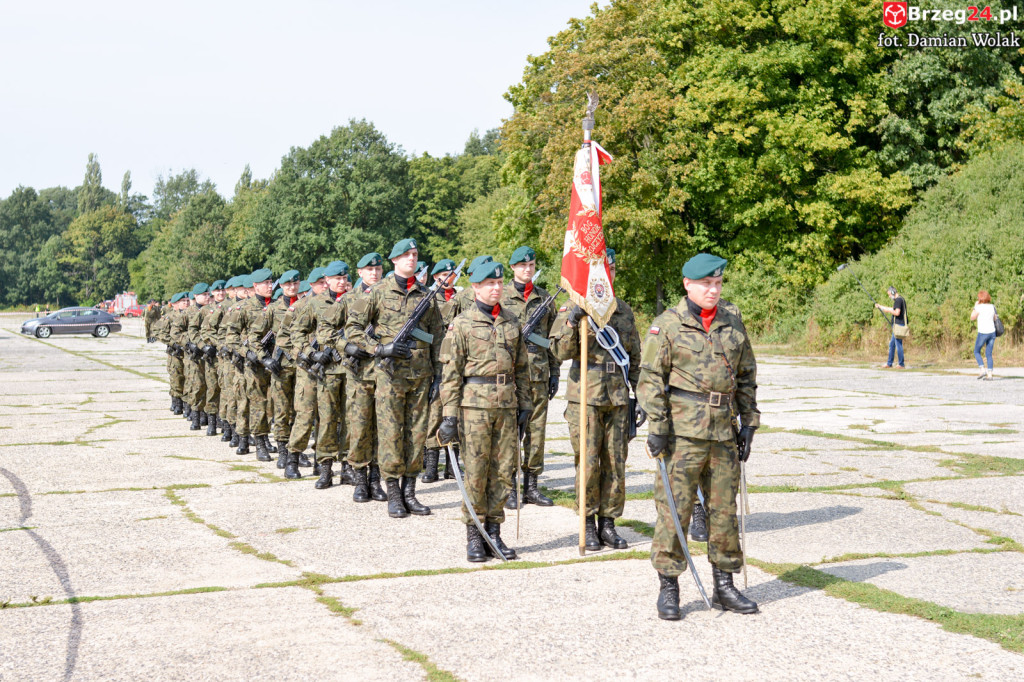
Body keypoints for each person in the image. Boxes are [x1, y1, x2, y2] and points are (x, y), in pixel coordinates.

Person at [637, 253, 759, 620]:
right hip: (682, 434)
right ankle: (669, 588)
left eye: (718, 283)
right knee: (675, 511)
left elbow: (747, 375)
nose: (713, 290)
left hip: (723, 431)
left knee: (723, 512)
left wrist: (749, 422)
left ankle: (724, 586)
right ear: (688, 285)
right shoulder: (667, 326)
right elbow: (650, 380)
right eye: (706, 284)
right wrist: (657, 427)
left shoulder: (732, 324)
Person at [438, 260, 532, 561]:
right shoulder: (462, 325)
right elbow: (451, 374)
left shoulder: (511, 321)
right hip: (474, 406)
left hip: (506, 405)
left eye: (499, 283)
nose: (496, 288)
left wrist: (525, 404)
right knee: (476, 472)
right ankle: (474, 535)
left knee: (504, 472)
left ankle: (494, 532)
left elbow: (522, 368)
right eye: (489, 284)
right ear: (475, 287)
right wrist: (449, 416)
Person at [549, 249, 640, 552]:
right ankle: (587, 524)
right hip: (585, 397)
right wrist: (573, 321)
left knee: (615, 464)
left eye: (611, 269)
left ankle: (609, 525)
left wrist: (639, 396)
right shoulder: (573, 308)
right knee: (588, 464)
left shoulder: (624, 311)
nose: (607, 275)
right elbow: (559, 352)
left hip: (618, 397)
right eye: (601, 270)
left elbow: (636, 359)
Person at [346, 238, 443, 518]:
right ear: (394, 261)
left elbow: (437, 337)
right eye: (405, 255)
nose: (411, 259)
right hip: (390, 376)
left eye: (414, 254)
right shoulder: (377, 292)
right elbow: (353, 329)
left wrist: (438, 375)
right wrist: (378, 349)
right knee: (390, 434)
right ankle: (394, 494)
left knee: (416, 434)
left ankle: (410, 492)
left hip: (421, 375)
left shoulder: (426, 294)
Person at [500, 245, 558, 507]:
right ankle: (509, 486)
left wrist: (554, 373)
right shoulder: (501, 298)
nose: (528, 269)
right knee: (511, 431)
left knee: (537, 432)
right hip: (511, 376)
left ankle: (532, 485)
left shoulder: (545, 298)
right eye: (522, 266)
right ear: (512, 268)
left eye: (531, 265)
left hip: (538, 374)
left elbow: (552, 341)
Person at [346, 253, 388, 503]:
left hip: (385, 370)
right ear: (359, 272)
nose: (374, 273)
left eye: (377, 269)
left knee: (383, 428)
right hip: (360, 372)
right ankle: (360, 480)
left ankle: (376, 479)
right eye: (368, 270)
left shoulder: (387, 294)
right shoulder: (349, 299)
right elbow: (327, 330)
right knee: (360, 427)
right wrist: (346, 346)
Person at [876, 287, 907, 369]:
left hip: (898, 326)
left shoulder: (898, 300)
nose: (889, 297)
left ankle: (901, 364)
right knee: (892, 344)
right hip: (898, 326)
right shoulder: (900, 299)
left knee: (898, 344)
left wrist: (888, 311)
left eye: (889, 295)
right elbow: (892, 309)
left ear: (893, 292)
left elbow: (896, 312)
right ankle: (889, 363)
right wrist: (881, 307)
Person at [971, 290, 997, 381]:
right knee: (989, 354)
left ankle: (982, 369)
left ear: (980, 298)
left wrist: (975, 306)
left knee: (976, 351)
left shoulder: (979, 307)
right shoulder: (992, 306)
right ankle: (990, 375)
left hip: (983, 332)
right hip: (992, 332)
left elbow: (972, 317)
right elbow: (995, 318)